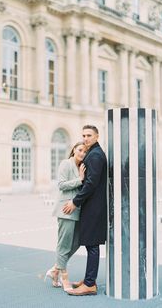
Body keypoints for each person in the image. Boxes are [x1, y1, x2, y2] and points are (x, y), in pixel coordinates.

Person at [63, 125, 107, 296]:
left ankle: (89, 284)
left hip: (94, 206)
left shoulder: (95, 155)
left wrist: (75, 201)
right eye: (83, 135)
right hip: (92, 205)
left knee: (92, 244)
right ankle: (90, 280)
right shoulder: (93, 153)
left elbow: (91, 183)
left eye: (89, 135)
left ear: (97, 136)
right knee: (91, 244)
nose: (86, 138)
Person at [45, 141, 87, 291]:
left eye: (85, 151)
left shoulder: (81, 167)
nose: (82, 153)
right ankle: (64, 277)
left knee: (76, 243)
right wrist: (80, 179)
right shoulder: (66, 164)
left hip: (76, 211)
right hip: (65, 210)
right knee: (64, 245)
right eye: (80, 150)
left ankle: (54, 270)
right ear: (74, 149)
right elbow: (61, 185)